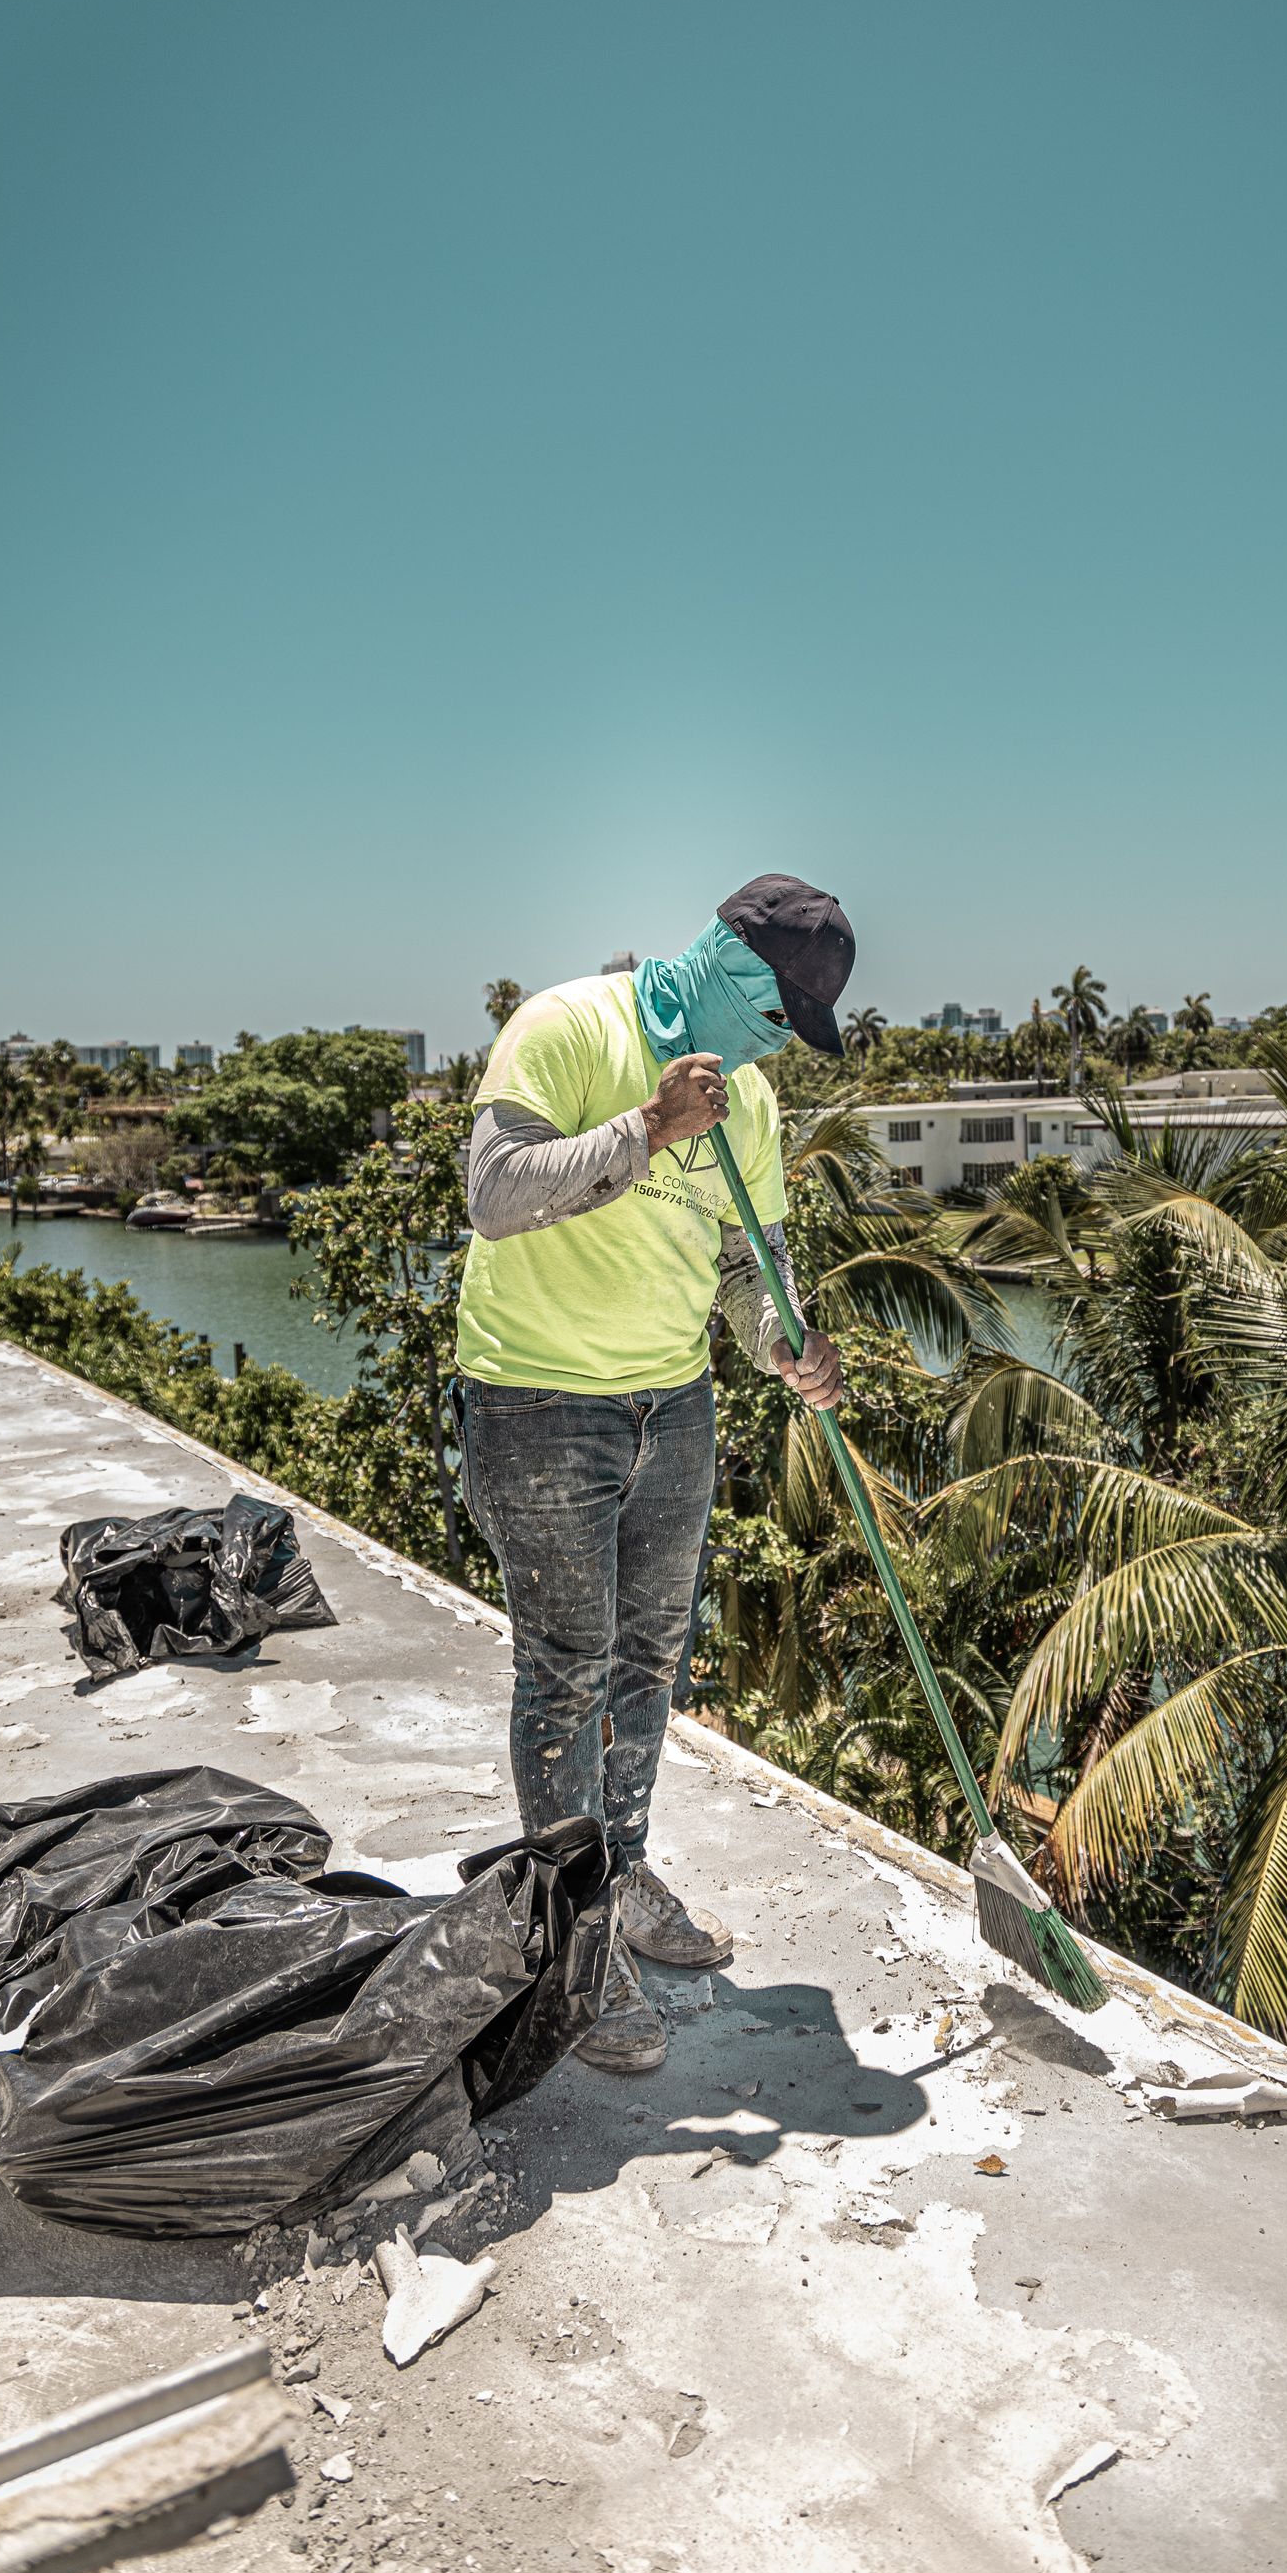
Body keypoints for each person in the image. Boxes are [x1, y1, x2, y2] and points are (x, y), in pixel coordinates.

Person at [455, 875, 854, 2072]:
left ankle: (619, 1882)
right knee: (567, 1671)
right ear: (729, 969)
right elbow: (492, 1192)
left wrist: (784, 1340)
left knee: (650, 1659)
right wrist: (648, 1128)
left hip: (672, 1407)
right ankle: (570, 1952)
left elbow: (746, 1266)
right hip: (536, 1404)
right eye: (778, 1012)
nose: (781, 1041)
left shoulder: (757, 1106)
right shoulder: (572, 1025)